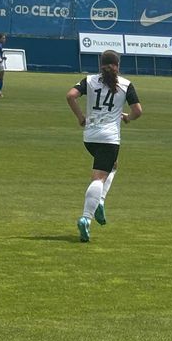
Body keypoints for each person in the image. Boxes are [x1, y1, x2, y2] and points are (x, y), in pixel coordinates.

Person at [67, 49, 142, 242]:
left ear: (101, 64)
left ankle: (99, 201)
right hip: (109, 137)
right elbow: (137, 111)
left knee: (112, 166)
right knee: (99, 178)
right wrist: (128, 118)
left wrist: (80, 117)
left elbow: (70, 96)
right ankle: (86, 217)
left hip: (90, 136)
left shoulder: (89, 80)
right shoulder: (126, 84)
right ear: (117, 66)